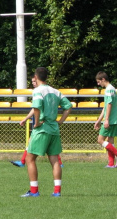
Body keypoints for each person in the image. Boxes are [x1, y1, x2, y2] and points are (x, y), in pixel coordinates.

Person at [21, 67, 72, 197]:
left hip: (42, 129)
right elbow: (68, 106)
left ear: (36, 78)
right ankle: (57, 192)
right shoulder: (55, 91)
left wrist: (37, 122)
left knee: (30, 158)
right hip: (54, 129)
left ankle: (34, 191)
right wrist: (60, 121)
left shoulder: (38, 91)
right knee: (54, 160)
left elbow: (37, 107)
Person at [11, 76, 63, 168]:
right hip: (43, 124)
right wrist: (26, 118)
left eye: (34, 81)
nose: (33, 83)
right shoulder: (39, 92)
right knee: (40, 144)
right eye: (32, 82)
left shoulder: (41, 92)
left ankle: (24, 162)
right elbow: (34, 108)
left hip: (44, 124)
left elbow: (37, 108)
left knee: (45, 146)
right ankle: (23, 161)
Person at [94, 71, 117, 168]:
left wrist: (106, 120)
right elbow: (105, 107)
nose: (98, 84)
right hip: (113, 120)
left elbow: (109, 105)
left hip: (110, 120)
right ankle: (111, 164)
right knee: (110, 142)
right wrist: (99, 120)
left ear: (103, 79)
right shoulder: (111, 89)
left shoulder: (109, 90)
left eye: (99, 82)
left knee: (100, 140)